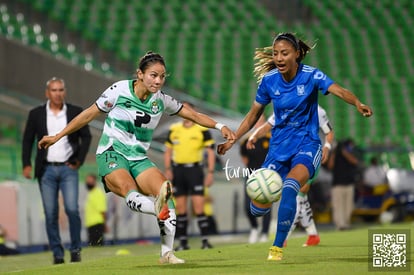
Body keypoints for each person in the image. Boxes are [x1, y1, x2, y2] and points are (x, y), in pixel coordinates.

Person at [38, 52, 236, 264]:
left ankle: (166, 253)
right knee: (128, 189)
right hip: (111, 153)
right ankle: (155, 208)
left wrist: (220, 126)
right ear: (140, 74)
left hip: (138, 158)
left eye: (162, 76)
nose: (158, 81)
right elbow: (88, 114)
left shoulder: (161, 100)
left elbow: (194, 116)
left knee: (165, 193)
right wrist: (58, 136)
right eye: (153, 75)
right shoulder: (118, 90)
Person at [217, 32, 372, 261]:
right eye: (276, 53)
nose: (279, 57)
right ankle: (275, 204)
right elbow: (252, 116)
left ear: (297, 54)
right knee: (257, 208)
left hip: (307, 145)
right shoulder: (269, 81)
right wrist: (234, 138)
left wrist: (357, 102)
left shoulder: (311, 76)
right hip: (278, 148)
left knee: (290, 186)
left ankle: (277, 247)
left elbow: (338, 90)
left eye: (284, 53)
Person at [22, 77, 92, 264]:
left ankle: (76, 250)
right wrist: (26, 164)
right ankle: (58, 254)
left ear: (65, 92)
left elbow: (86, 137)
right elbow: (28, 140)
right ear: (47, 93)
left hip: (69, 168)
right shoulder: (35, 114)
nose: (58, 93)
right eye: (54, 90)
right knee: (51, 212)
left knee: (72, 209)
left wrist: (79, 160)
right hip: (46, 171)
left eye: (61, 90)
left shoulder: (75, 112)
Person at [247, 105, 334, 247]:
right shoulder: (285, 104)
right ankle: (312, 234)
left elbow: (329, 132)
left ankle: (284, 236)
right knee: (300, 197)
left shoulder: (317, 110)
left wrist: (327, 147)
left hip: (308, 156)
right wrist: (255, 135)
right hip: (288, 156)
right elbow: (268, 126)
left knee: (297, 194)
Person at [164, 102, 216, 250]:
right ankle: (183, 243)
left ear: (193, 110)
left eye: (187, 108)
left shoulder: (202, 129)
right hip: (178, 171)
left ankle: (205, 241)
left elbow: (210, 152)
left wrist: (210, 172)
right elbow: (168, 151)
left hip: (195, 170)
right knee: (180, 209)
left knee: (199, 206)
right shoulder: (174, 129)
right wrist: (168, 169)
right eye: (182, 108)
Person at [240, 114, 272, 244]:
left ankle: (264, 233)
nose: (259, 123)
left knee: (266, 204)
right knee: (247, 205)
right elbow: (244, 157)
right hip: (251, 174)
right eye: (257, 120)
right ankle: (254, 228)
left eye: (261, 121)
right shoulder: (246, 140)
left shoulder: (271, 138)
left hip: (267, 175)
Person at [329, 138, 360, 230]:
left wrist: (344, 152)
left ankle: (346, 223)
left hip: (349, 184)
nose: (351, 147)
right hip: (337, 184)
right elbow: (330, 166)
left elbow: (355, 161)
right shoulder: (335, 155)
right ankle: (340, 225)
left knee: (349, 207)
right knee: (338, 206)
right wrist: (334, 152)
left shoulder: (351, 154)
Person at [84, 173, 107, 246]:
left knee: (97, 245)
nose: (88, 182)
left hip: (97, 224)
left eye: (90, 181)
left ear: (95, 181)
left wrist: (104, 224)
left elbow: (102, 210)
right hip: (91, 224)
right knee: (93, 245)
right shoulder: (91, 193)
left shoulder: (97, 193)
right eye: (87, 181)